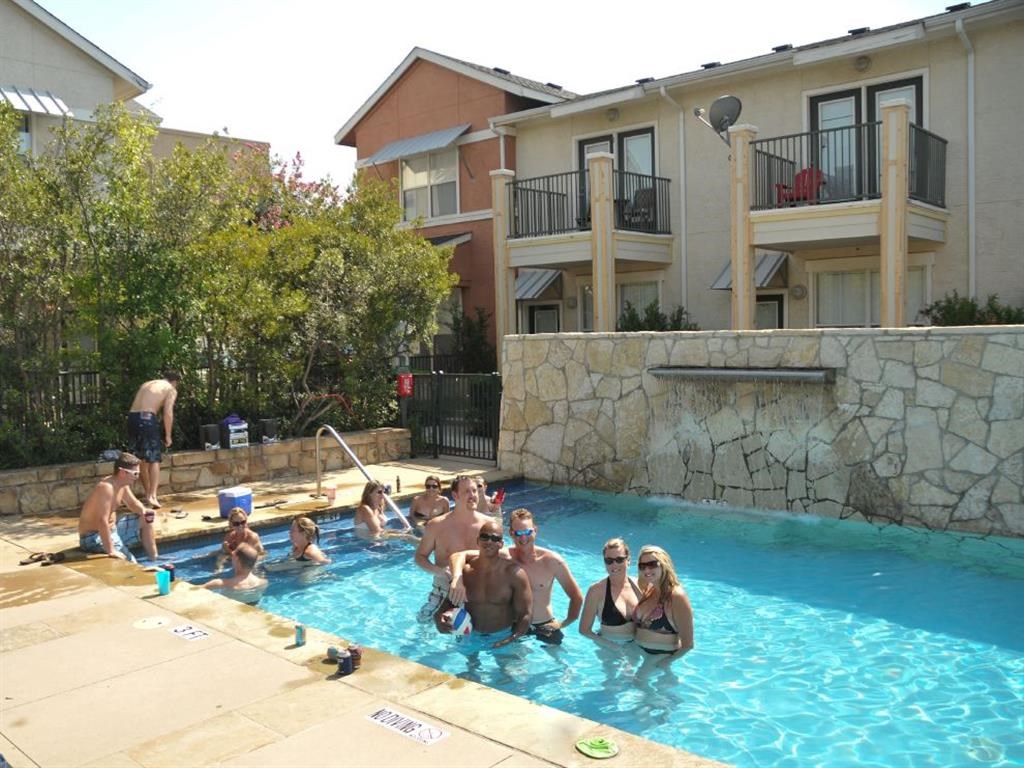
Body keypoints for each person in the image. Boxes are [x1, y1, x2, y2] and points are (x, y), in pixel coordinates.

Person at [450, 508, 582, 645]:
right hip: (515, 626)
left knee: (559, 665)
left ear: (535, 531)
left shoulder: (552, 561)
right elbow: (458, 555)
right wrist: (457, 579)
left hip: (543, 624)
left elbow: (576, 597)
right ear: (511, 534)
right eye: (518, 533)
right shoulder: (503, 555)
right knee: (514, 665)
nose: (523, 538)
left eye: (527, 532)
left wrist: (563, 624)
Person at [434, 520, 532, 648]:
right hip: (469, 633)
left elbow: (525, 614)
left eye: (495, 538)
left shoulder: (514, 574)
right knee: (468, 668)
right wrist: (438, 620)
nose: (489, 541)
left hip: (502, 635)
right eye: (485, 537)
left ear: (501, 544)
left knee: (509, 668)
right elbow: (447, 603)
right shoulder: (466, 572)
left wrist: (510, 639)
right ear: (478, 541)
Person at [413, 475, 492, 623]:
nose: (473, 495)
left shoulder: (487, 524)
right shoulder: (437, 525)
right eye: (467, 491)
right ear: (455, 495)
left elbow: (499, 557)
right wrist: (440, 572)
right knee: (423, 623)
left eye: (474, 491)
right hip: (443, 590)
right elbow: (420, 556)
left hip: (477, 593)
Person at [77, 452, 158, 563]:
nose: (137, 477)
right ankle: (123, 554)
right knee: (132, 563)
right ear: (122, 472)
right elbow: (102, 521)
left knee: (146, 519)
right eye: (135, 474)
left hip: (113, 529)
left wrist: (144, 511)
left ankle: (154, 558)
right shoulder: (106, 488)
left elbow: (133, 503)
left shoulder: (122, 485)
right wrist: (111, 550)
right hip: (92, 537)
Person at [632, 545, 694, 664]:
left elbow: (688, 644)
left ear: (664, 564)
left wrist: (665, 662)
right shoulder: (650, 590)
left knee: (637, 681)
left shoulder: (676, 596)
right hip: (639, 651)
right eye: (642, 566)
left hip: (659, 657)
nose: (647, 570)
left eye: (652, 564)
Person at [127, 372, 179, 508]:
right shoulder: (170, 389)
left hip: (132, 418)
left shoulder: (147, 384)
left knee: (141, 458)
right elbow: (168, 412)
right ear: (175, 382)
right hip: (146, 419)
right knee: (154, 458)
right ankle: (152, 495)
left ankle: (147, 493)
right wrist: (168, 435)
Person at [579, 537, 643, 649]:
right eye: (609, 561)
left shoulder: (640, 586)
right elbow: (584, 630)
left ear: (628, 560)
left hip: (636, 646)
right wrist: (615, 648)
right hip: (608, 647)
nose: (614, 565)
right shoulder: (596, 590)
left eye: (619, 560)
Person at [202, 543, 268, 604]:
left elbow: (194, 592)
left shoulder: (219, 584)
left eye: (234, 552)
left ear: (236, 559)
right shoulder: (263, 583)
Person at [354, 482, 418, 543]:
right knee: (409, 537)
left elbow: (381, 532)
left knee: (410, 537)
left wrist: (401, 531)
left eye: (384, 492)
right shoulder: (365, 509)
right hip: (365, 544)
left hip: (378, 540)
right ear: (369, 494)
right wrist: (403, 535)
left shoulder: (379, 507)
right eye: (379, 492)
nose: (383, 495)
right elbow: (377, 531)